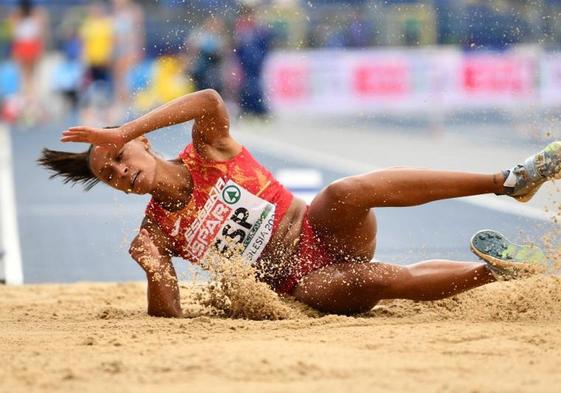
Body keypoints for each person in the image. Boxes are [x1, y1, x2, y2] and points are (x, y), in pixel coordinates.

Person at [38, 89, 561, 318]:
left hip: (324, 231)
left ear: (144, 142)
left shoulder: (208, 150)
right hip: (302, 284)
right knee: (375, 279)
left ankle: (507, 181)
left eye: (121, 157)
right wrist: (155, 273)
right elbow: (170, 317)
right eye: (110, 176)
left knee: (344, 192)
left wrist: (121, 126)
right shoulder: (153, 233)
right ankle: (499, 271)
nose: (122, 173)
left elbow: (210, 101)